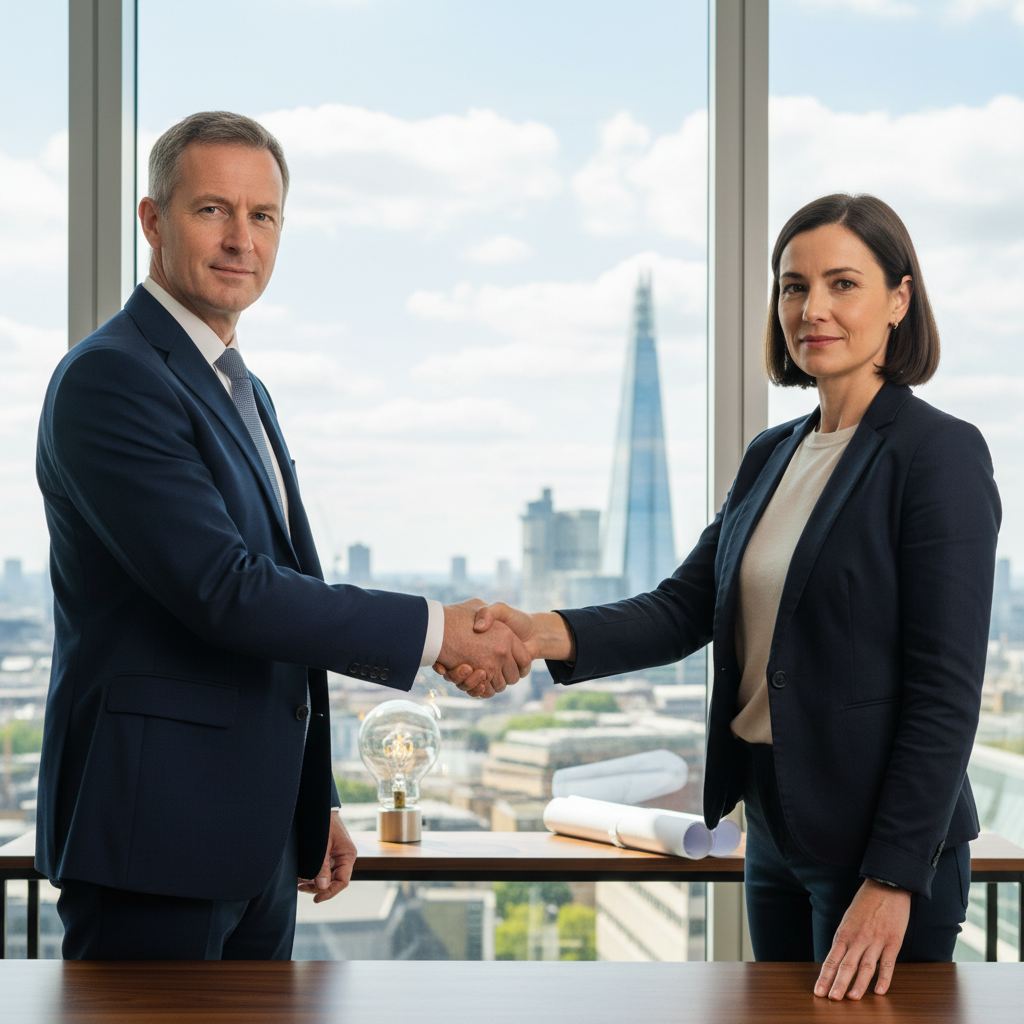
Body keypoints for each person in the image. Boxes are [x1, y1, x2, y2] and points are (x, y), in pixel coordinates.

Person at [447, 194, 1000, 999]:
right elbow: (682, 607)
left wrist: (892, 879)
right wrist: (536, 632)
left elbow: (946, 692)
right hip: (770, 826)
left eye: (843, 283)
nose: (812, 309)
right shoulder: (771, 455)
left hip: (879, 843)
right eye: (792, 287)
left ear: (900, 300)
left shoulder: (937, 454)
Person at [35, 110, 529, 961]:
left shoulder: (243, 388)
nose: (240, 240)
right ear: (153, 221)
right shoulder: (110, 378)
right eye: (211, 210)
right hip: (154, 836)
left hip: (255, 842)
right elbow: (227, 593)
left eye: (262, 217)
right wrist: (438, 630)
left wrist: (315, 800)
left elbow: (277, 619)